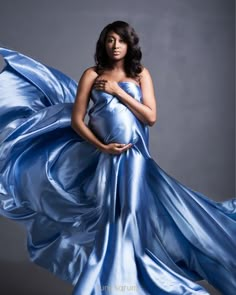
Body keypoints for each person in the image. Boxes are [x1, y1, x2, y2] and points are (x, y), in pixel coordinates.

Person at [0, 20, 235, 295]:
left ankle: (122, 284)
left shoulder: (140, 74)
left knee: (134, 214)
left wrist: (118, 92)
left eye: (121, 41)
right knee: (113, 216)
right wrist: (101, 146)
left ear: (129, 45)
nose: (115, 46)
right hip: (105, 159)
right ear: (103, 43)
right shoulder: (92, 74)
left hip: (134, 158)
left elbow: (150, 117)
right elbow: (78, 121)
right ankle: (120, 283)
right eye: (110, 40)